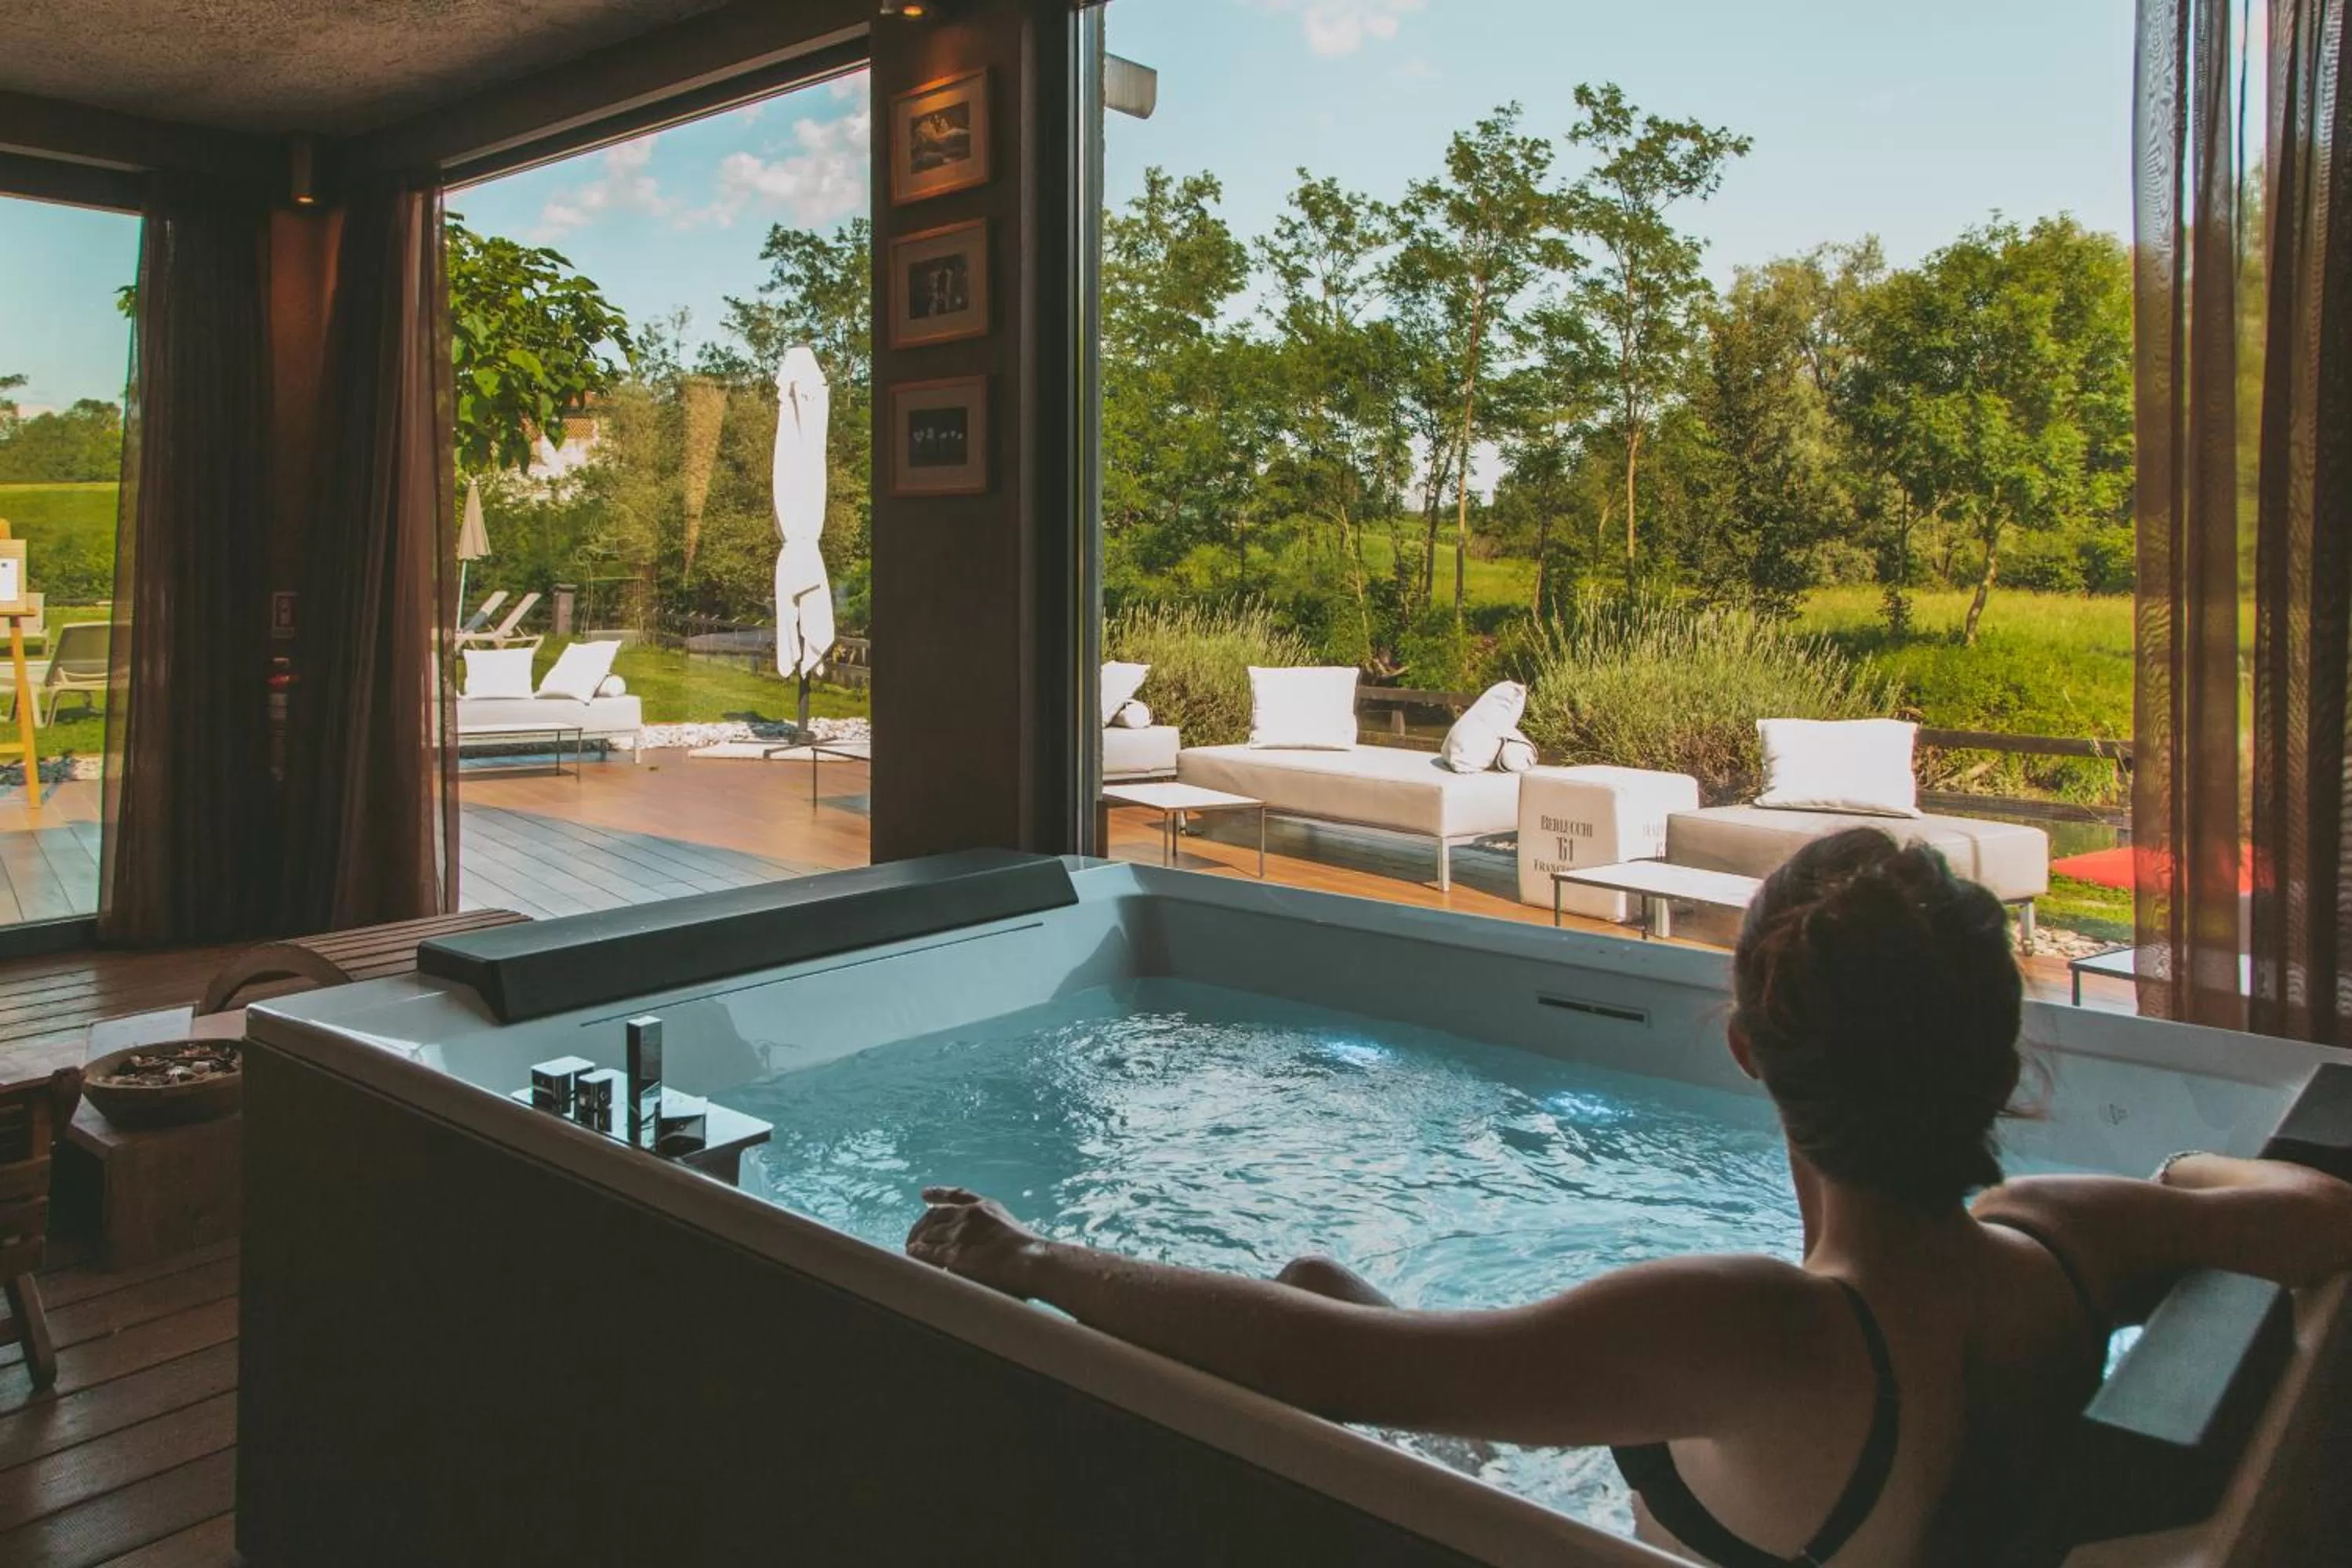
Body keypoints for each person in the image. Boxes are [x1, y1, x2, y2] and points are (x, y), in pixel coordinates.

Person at [906, 828, 2352, 1566]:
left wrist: (1030, 1256)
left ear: (1746, 1052)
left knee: (1310, 1314)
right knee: (1315, 1285)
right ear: (1999, 1056)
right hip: (1716, 1482)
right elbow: (2303, 1209)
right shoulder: (2067, 1245)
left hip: (1662, 1500)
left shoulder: (1767, 1331)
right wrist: (2171, 1180)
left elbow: (1336, 1368)